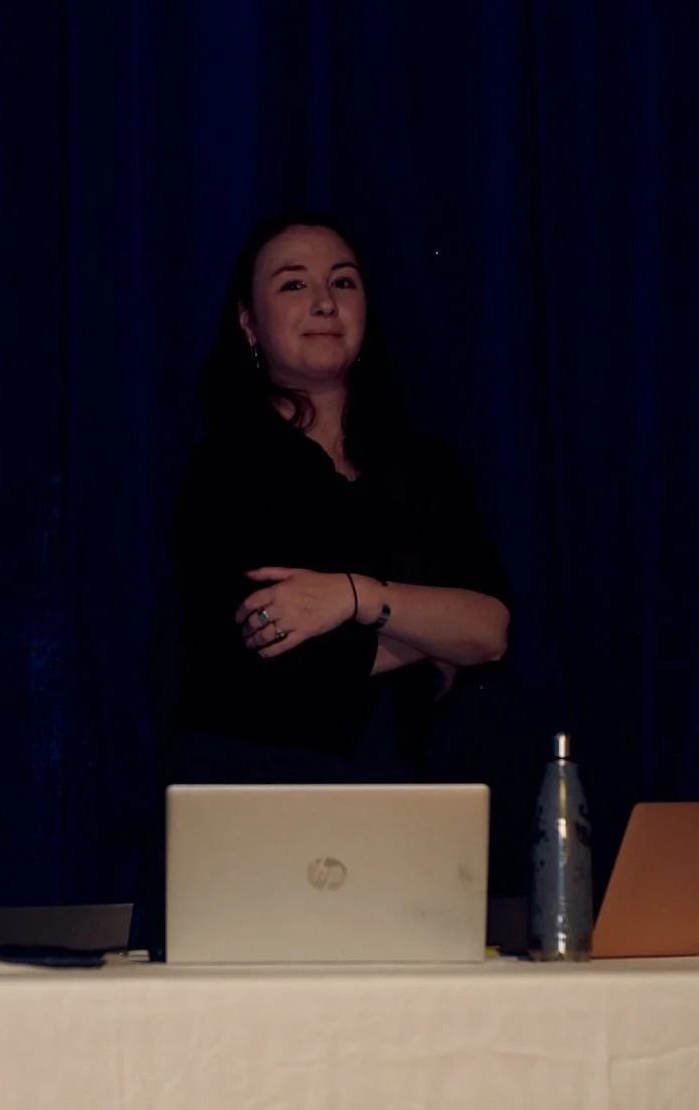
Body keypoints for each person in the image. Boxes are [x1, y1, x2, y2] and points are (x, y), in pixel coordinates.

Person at [134, 210, 511, 952]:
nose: (324, 301)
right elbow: (272, 660)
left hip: (400, 817)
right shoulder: (221, 467)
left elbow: (492, 631)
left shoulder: (425, 469)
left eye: (343, 281)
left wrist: (352, 597)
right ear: (248, 323)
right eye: (293, 284)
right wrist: (427, 630)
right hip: (247, 823)